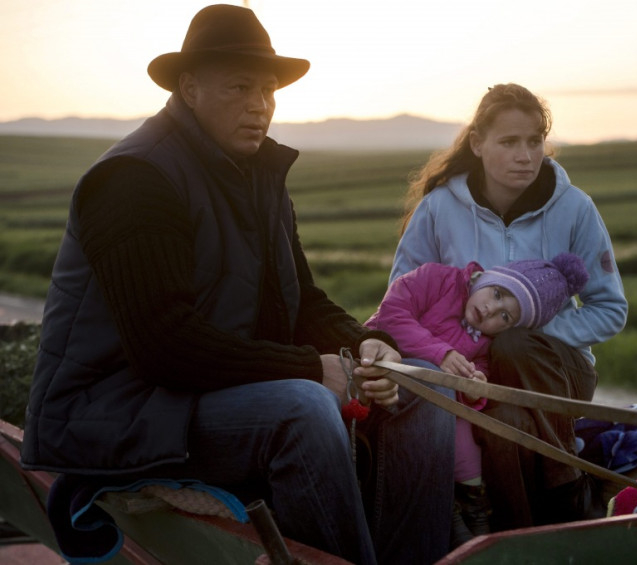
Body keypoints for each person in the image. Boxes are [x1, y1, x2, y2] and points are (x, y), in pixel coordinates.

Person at [20, 5, 454, 564]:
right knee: (303, 407)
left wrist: (367, 344)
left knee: (425, 388)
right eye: (240, 87)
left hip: (205, 394)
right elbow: (163, 346)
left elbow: (302, 300)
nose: (260, 105)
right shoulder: (135, 178)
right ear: (190, 88)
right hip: (120, 410)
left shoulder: (259, 177)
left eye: (269, 90)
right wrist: (309, 367)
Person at [390, 83, 628, 530]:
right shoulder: (439, 209)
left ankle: (566, 486)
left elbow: (610, 308)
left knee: (514, 345)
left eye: (535, 141)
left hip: (557, 374)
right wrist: (446, 356)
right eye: (509, 142)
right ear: (477, 144)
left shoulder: (575, 209)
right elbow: (402, 297)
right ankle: (520, 537)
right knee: (505, 422)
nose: (525, 155)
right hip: (470, 374)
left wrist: (531, 334)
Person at [365, 253, 588, 546]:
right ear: (487, 278)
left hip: (436, 399)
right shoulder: (436, 279)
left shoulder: (485, 344)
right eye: (497, 294)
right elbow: (392, 315)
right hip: (387, 366)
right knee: (438, 399)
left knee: (464, 427)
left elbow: (478, 371)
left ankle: (472, 507)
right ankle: (452, 515)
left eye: (505, 316)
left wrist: (473, 391)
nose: (490, 310)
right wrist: (440, 353)